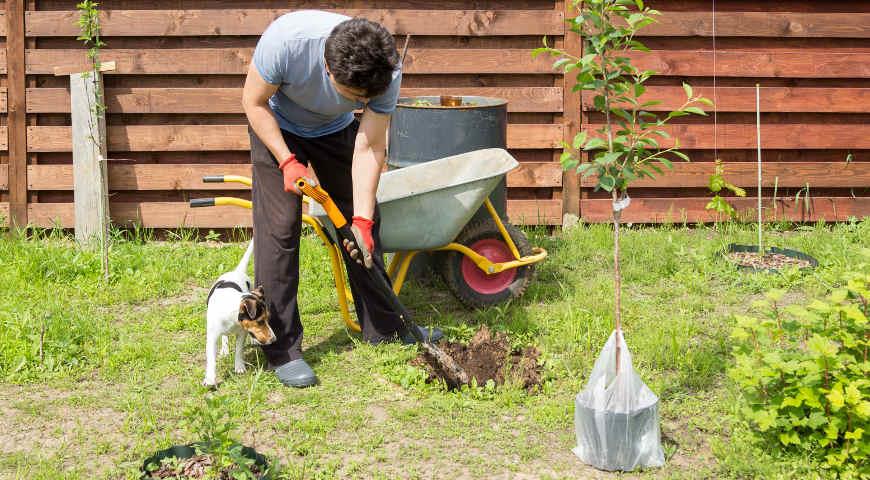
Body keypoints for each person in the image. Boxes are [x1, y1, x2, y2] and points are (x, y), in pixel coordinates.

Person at [242, 10, 443, 388]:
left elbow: (369, 147)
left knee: (363, 221)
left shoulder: (386, 70)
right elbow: (253, 102)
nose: (360, 101)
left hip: (335, 132)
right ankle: (281, 348)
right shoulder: (286, 43)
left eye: (365, 98)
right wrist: (287, 160)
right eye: (352, 96)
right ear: (326, 68)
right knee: (280, 231)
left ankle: (384, 327)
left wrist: (362, 221)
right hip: (277, 128)